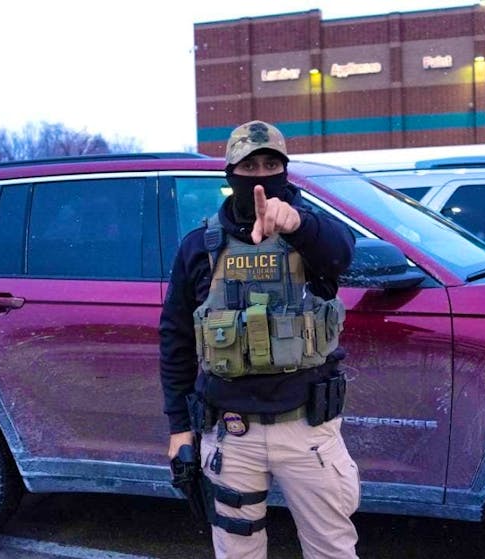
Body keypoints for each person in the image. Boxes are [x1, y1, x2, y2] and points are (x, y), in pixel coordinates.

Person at [160, 120, 359, 559]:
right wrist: (179, 428)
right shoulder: (199, 246)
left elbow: (344, 253)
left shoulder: (313, 235)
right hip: (232, 437)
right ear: (231, 174)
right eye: (250, 166)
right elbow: (175, 340)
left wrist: (297, 225)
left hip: (308, 433)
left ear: (285, 172)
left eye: (271, 163)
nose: (261, 174)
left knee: (332, 552)